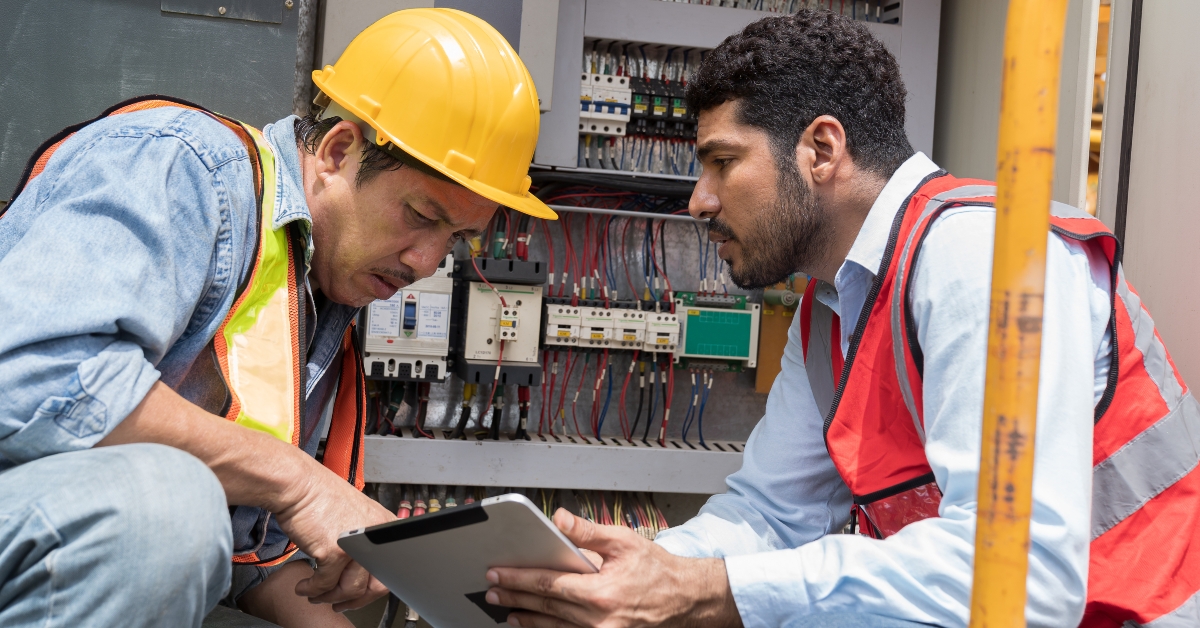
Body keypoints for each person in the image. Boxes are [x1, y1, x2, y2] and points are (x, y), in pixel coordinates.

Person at [484, 10, 1200, 628]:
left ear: (821, 150)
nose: (699, 200)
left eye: (722, 162)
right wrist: (630, 573)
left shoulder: (980, 258)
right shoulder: (829, 314)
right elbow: (773, 515)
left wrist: (707, 591)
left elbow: (1021, 580)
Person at [0, 8, 555, 627]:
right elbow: (38, 382)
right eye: (421, 216)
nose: (426, 262)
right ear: (338, 151)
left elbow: (243, 556)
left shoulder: (318, 289)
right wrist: (298, 481)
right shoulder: (183, 166)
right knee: (170, 505)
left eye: (456, 239)